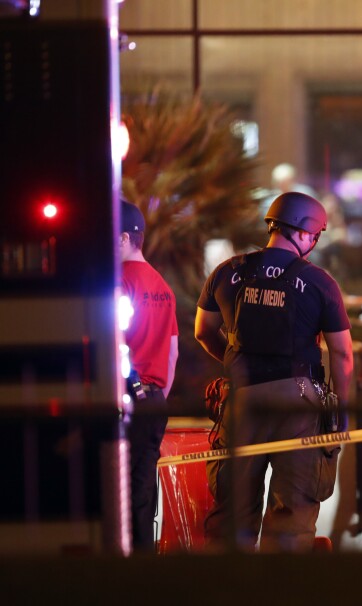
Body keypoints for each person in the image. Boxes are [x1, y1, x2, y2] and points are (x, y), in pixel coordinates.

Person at [195, 192, 354, 552]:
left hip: (242, 400)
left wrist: (235, 368)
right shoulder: (319, 282)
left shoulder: (228, 272)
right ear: (305, 233)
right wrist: (342, 412)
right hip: (298, 404)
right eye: (315, 237)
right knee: (292, 514)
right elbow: (342, 353)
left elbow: (203, 331)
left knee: (232, 511)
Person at [119, 199, 179, 553]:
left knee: (116, 490)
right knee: (142, 491)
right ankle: (144, 572)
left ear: (124, 238)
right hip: (155, 400)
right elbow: (173, 353)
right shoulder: (162, 285)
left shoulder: (117, 282)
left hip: (124, 397)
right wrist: (157, 398)